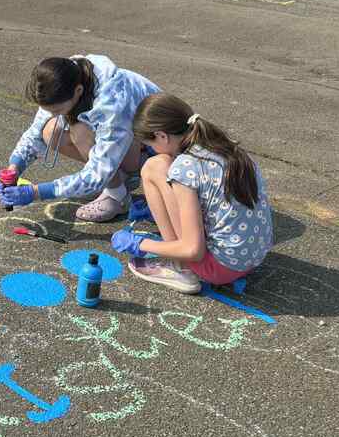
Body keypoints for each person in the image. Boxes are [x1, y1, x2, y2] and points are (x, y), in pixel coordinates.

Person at [109, 93, 274, 294]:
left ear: (162, 135)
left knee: (153, 167)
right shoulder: (224, 145)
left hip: (221, 268)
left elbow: (193, 250)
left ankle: (181, 269)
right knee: (160, 165)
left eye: (150, 144)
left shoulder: (184, 168)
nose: (151, 148)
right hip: (253, 257)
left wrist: (141, 243)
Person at [0, 54, 161, 222]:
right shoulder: (64, 78)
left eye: (57, 109)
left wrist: (36, 192)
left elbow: (96, 175)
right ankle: (117, 177)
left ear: (79, 91)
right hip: (127, 142)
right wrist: (14, 167)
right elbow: (35, 132)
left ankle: (117, 196)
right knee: (50, 129)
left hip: (156, 153)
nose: (52, 114)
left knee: (78, 128)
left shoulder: (112, 103)